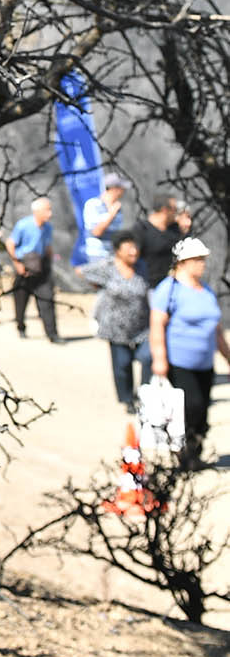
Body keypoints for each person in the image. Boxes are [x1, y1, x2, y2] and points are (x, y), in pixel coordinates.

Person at [148, 236, 230, 468]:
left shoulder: (206, 291)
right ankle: (183, 454)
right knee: (189, 406)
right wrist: (160, 359)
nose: (201, 264)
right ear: (182, 262)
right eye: (196, 260)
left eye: (202, 260)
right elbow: (157, 325)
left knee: (202, 409)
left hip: (204, 362)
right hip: (180, 361)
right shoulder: (169, 289)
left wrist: (227, 356)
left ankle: (195, 452)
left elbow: (215, 329)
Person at [88, 232, 150, 413]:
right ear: (117, 251)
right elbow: (82, 271)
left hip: (142, 325)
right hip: (115, 326)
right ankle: (127, 399)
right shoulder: (107, 266)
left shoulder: (142, 267)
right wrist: (100, 288)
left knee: (148, 357)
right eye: (128, 247)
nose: (133, 251)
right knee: (122, 364)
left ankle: (145, 393)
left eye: (135, 247)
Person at [5, 196, 60, 343]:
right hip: (25, 264)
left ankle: (52, 334)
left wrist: (50, 263)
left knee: (47, 299)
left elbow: (48, 247)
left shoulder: (48, 227)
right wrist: (17, 264)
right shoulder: (23, 225)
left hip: (41, 265)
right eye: (47, 210)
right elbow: (10, 244)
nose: (50, 213)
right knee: (21, 300)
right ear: (37, 211)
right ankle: (21, 327)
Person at [134, 194, 188, 290]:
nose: (176, 213)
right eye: (174, 209)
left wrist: (184, 230)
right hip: (148, 286)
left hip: (171, 285)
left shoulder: (175, 230)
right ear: (164, 210)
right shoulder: (142, 230)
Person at [81, 172, 126, 265]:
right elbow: (96, 232)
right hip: (97, 257)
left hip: (113, 257)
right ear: (114, 189)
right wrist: (111, 214)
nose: (124, 191)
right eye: (122, 188)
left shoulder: (118, 208)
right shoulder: (93, 204)